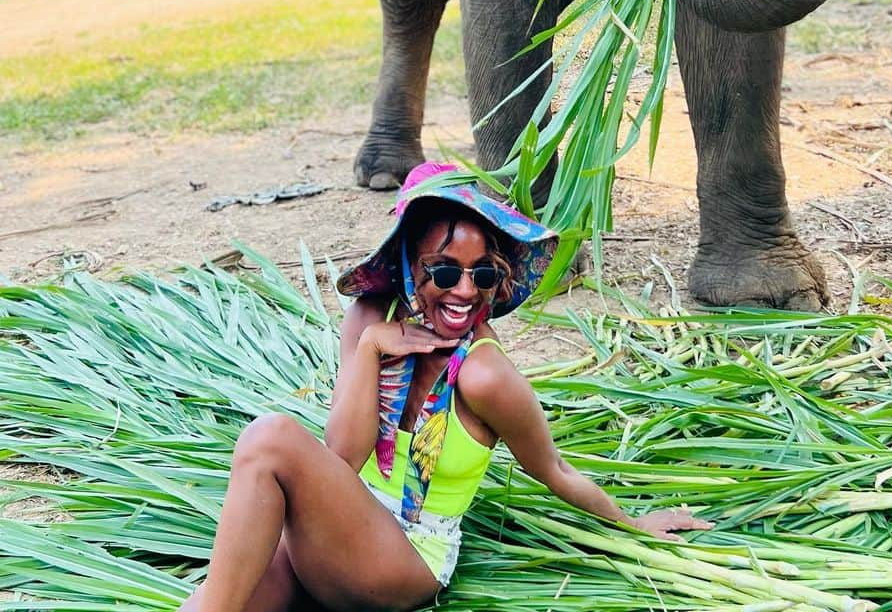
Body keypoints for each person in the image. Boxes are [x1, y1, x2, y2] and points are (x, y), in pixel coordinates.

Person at [179, 163, 699, 612]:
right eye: (445, 272)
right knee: (210, 600)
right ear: (408, 265)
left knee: (271, 438)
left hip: (403, 559)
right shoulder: (370, 317)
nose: (466, 291)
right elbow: (342, 458)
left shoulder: (483, 373)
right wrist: (370, 352)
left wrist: (633, 525)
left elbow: (554, 469)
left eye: (484, 275)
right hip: (337, 533)